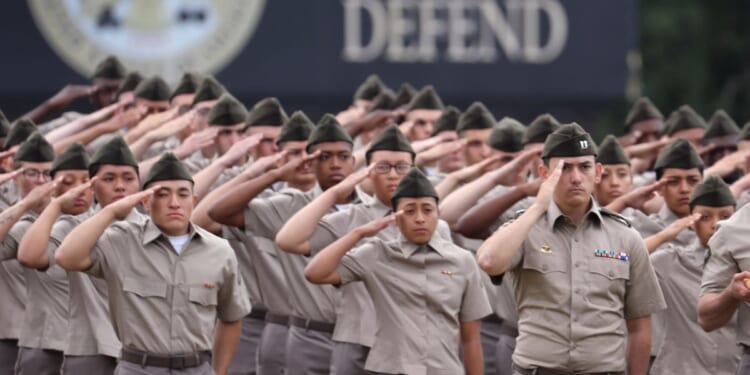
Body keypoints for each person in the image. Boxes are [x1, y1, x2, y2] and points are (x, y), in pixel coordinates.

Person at [477, 123, 666, 375]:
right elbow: (490, 261)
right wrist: (537, 208)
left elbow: (640, 326)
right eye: (564, 168)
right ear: (544, 173)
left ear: (597, 172)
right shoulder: (525, 229)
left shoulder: (625, 237)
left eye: (584, 167)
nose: (576, 177)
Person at [55, 152, 251, 374]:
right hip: (139, 367)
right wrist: (111, 210)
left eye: (183, 194)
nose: (174, 203)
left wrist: (219, 371)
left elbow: (231, 317)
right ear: (146, 202)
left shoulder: (219, 251)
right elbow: (66, 257)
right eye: (163, 195)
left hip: (196, 368)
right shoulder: (122, 241)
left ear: (194, 201)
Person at [210, 114, 362, 375]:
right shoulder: (289, 205)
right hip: (309, 334)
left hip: (361, 338)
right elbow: (217, 213)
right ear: (310, 163)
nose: (335, 164)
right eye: (325, 157)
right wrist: (276, 173)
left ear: (355, 160)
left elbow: (446, 269)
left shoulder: (376, 210)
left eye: (343, 156)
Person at [305, 167, 492, 375]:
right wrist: (358, 233)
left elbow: (471, 338)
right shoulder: (377, 253)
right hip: (390, 369)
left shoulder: (461, 260)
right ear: (395, 215)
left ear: (438, 214)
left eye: (427, 210)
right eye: (410, 211)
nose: (420, 218)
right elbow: (315, 273)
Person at [13, 143, 94, 375]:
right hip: (46, 343)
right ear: (52, 185)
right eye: (67, 182)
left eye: (86, 181)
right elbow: (29, 256)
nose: (77, 190)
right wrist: (32, 204)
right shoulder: (33, 228)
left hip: (94, 348)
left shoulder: (109, 227)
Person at [646, 175, 740, 375]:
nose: (716, 225)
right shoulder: (672, 262)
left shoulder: (744, 265)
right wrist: (664, 235)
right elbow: (615, 259)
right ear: (690, 220)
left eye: (725, 217)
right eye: (705, 217)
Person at [0, 132, 56, 374]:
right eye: (32, 173)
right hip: (10, 331)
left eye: (47, 174)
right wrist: (23, 205)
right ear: (15, 176)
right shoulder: (8, 218)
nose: (40, 181)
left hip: (60, 336)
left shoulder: (70, 217)